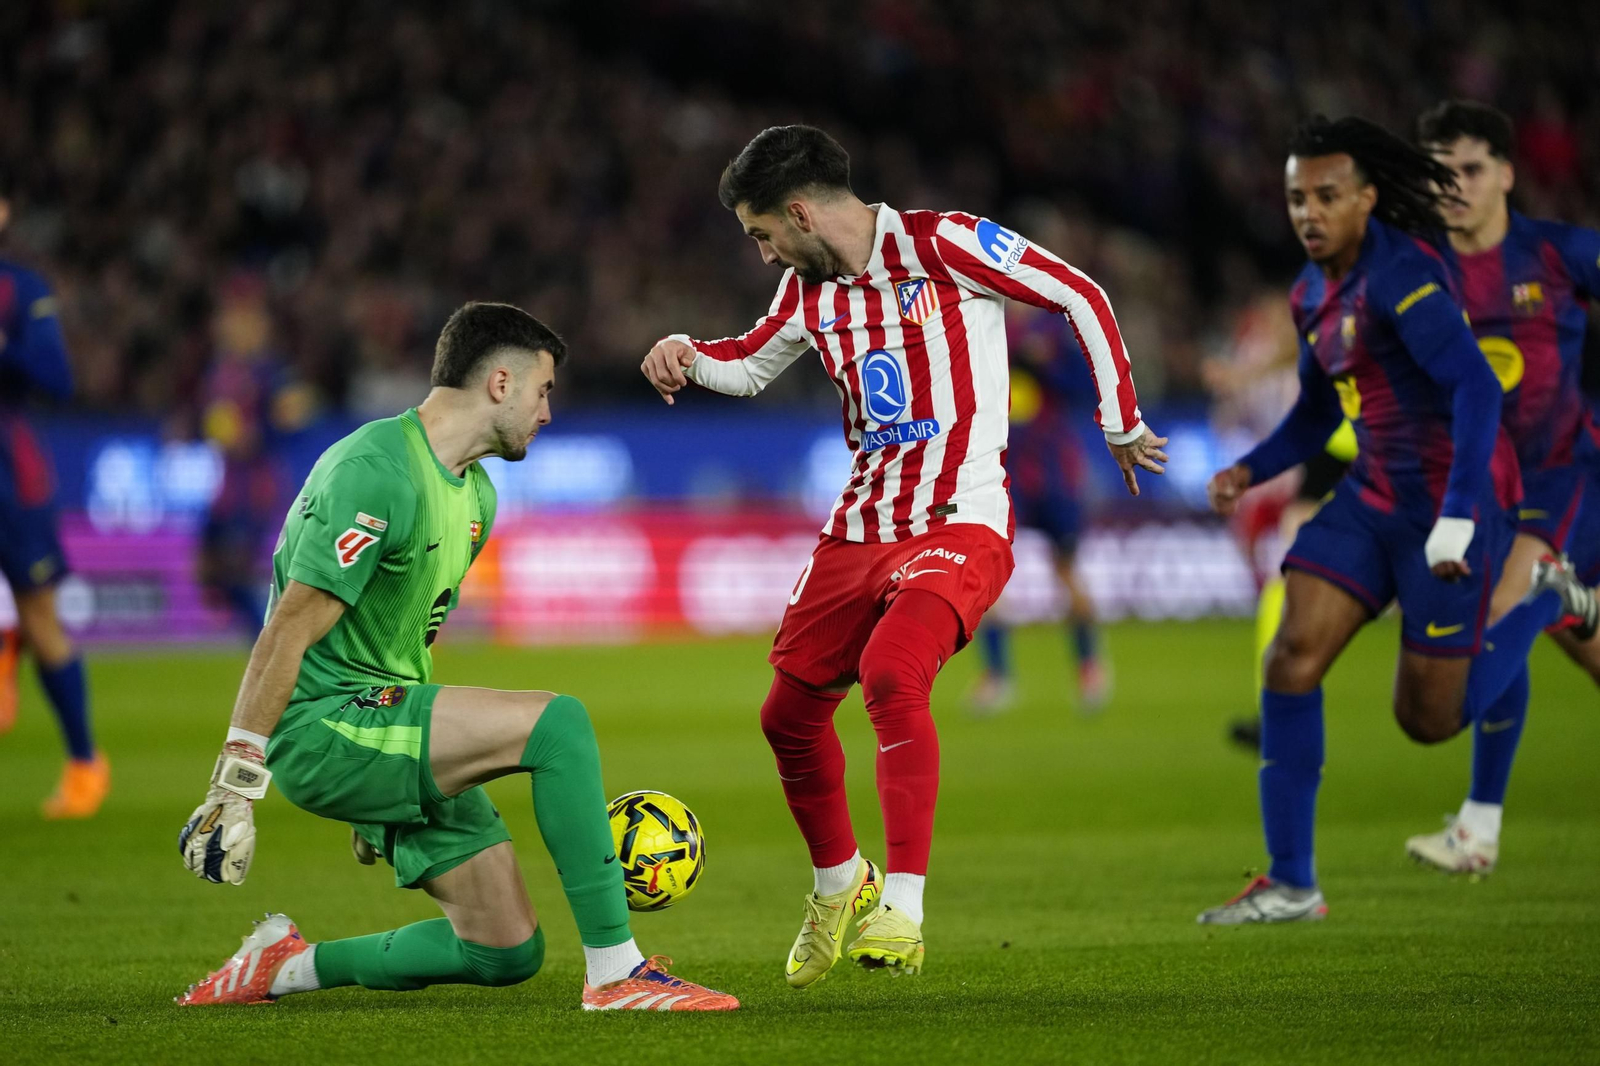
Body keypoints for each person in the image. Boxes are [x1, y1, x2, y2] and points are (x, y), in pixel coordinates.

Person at [641, 125, 1166, 982]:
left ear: (800, 212)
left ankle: (905, 908)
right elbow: (745, 367)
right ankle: (840, 884)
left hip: (961, 518)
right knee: (787, 717)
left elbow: (1077, 293)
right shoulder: (809, 294)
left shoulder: (945, 243)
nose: (766, 253)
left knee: (892, 673)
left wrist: (1120, 420)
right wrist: (684, 354)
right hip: (861, 526)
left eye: (763, 233)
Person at [175, 302, 737, 1012]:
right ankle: (616, 972)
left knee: (504, 949)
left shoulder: (476, 497)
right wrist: (235, 782)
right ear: (500, 383)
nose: (548, 413)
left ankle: (283, 966)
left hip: (379, 727)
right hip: (321, 728)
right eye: (544, 391)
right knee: (558, 725)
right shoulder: (375, 470)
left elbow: (400, 644)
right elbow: (286, 631)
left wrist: (376, 799)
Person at [1199, 116, 1523, 924]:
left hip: (1453, 506)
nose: (1308, 212)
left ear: (1367, 200)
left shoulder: (1402, 276)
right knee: (1291, 656)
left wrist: (1456, 517)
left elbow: (1477, 388)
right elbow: (1314, 415)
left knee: (1428, 721)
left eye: (1327, 196)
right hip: (1373, 497)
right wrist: (1251, 469)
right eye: (1295, 197)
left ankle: (1546, 596)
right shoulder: (1311, 292)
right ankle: (1293, 883)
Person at [1402, 100, 1600, 874]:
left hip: (1566, 476)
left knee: (1500, 614)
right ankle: (1478, 829)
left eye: (1472, 169)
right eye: (1440, 173)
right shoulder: (1417, 271)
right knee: (1570, 649)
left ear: (1507, 174)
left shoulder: (1556, 255)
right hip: (1489, 494)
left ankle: (1478, 830)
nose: (1454, 186)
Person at [0, 167, 108, 818]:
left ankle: (84, 766)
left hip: (9, 474)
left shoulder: (18, 289)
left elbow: (58, 378)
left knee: (42, 618)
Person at [969, 303, 1111, 715]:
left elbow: (1083, 388)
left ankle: (1089, 668)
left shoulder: (1050, 332)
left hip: (1054, 475)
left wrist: (1042, 362)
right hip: (1002, 473)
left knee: (1066, 571)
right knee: (987, 575)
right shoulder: (981, 326)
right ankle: (997, 678)